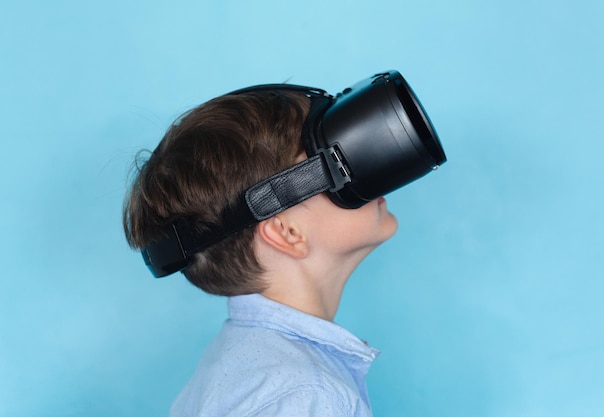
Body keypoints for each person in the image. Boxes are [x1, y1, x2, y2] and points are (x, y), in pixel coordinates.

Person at [123, 81, 411, 416]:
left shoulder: (241, 363)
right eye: (337, 162)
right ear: (287, 232)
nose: (367, 168)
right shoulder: (306, 397)